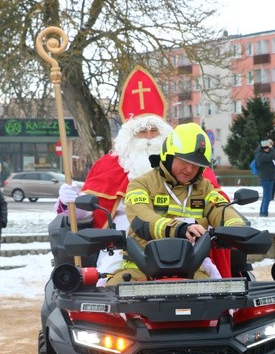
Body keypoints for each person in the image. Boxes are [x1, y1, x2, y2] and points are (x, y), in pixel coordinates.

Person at [55, 66, 232, 280]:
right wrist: (70, 201)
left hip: (187, 244)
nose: (148, 137)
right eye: (141, 131)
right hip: (124, 244)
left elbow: (217, 204)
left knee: (218, 292)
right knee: (110, 284)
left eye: (154, 130)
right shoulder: (109, 165)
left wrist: (235, 224)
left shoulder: (191, 169)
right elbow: (89, 212)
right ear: (129, 135)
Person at [108, 123, 248, 284]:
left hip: (192, 269)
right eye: (184, 161)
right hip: (140, 268)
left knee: (219, 304)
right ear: (168, 155)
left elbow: (221, 210)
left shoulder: (205, 188)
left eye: (196, 165)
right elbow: (142, 219)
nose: (189, 169)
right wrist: (179, 229)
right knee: (112, 298)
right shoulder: (141, 184)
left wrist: (238, 229)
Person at [255, 139, 275, 217]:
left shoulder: (260, 155)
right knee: (267, 197)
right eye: (267, 148)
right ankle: (264, 212)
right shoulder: (261, 156)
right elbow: (271, 156)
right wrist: (272, 148)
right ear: (263, 148)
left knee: (266, 196)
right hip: (266, 178)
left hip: (268, 178)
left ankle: (263, 212)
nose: (268, 149)